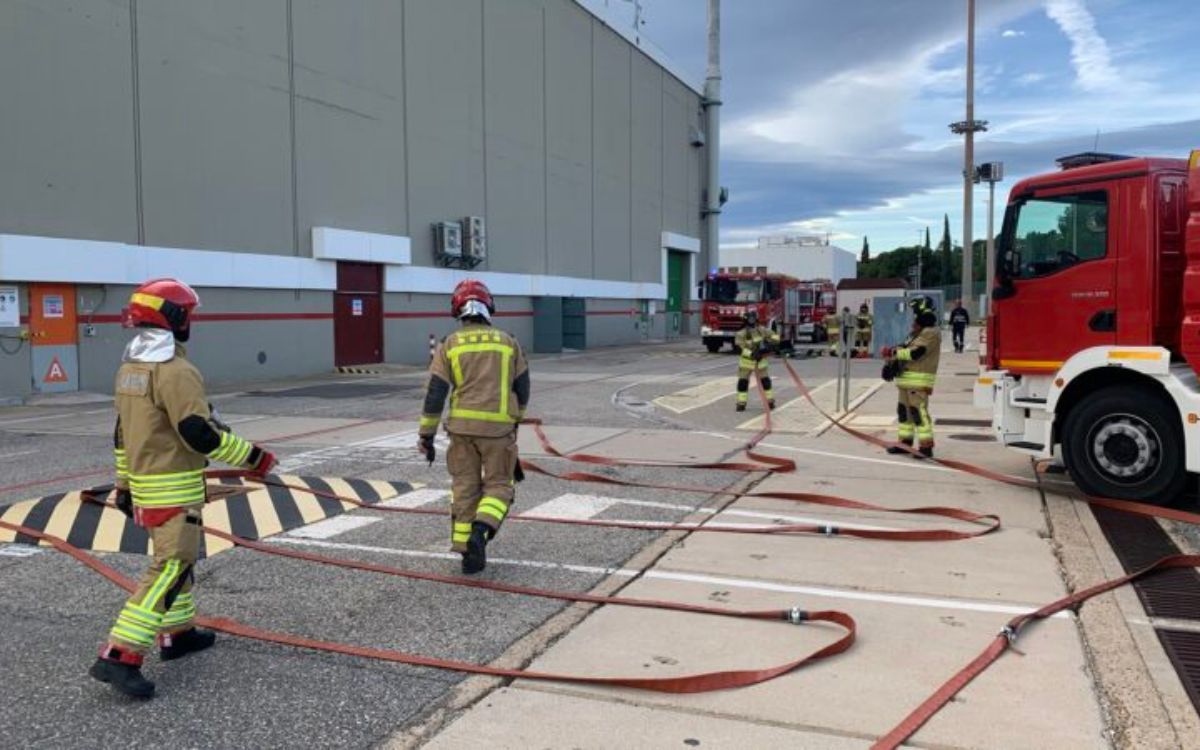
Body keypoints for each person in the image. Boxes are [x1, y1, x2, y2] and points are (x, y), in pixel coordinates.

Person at [90, 279, 277, 699]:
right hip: (172, 487)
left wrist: (124, 484)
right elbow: (199, 433)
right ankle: (119, 655)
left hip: (144, 484)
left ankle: (179, 634)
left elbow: (122, 433)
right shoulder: (176, 371)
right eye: (188, 312)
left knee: (176, 561)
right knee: (172, 566)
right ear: (174, 317)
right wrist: (254, 458)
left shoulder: (130, 369)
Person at [418, 279, 530, 575]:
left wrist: (426, 436)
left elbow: (435, 392)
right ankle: (481, 531)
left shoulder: (450, 344)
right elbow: (523, 387)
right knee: (498, 486)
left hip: (461, 431)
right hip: (498, 433)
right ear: (488, 306)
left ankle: (468, 555)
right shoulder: (508, 342)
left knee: (464, 488)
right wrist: (516, 420)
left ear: (458, 309)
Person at [881, 295, 942, 458]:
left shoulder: (931, 333)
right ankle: (904, 443)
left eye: (915, 313)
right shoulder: (917, 331)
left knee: (918, 413)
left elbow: (916, 353)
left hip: (919, 381)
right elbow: (904, 346)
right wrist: (890, 363)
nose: (913, 317)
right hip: (905, 381)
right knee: (903, 412)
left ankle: (926, 447)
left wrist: (892, 352)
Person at [733, 309, 780, 412]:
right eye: (750, 318)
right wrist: (752, 354)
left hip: (761, 362)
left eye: (753, 318)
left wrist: (773, 343)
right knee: (743, 383)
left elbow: (775, 336)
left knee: (766, 382)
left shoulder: (762, 330)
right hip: (747, 363)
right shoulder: (741, 334)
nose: (752, 321)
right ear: (745, 320)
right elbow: (739, 349)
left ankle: (770, 402)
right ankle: (741, 403)